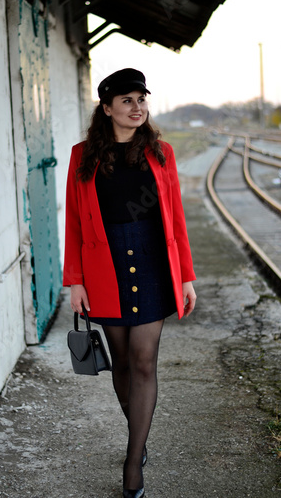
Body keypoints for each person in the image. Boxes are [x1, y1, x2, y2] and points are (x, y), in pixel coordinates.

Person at [63, 68, 196, 498]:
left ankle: (132, 459)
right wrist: (75, 281)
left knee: (143, 362)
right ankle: (137, 436)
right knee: (120, 362)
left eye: (142, 99)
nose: (137, 107)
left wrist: (187, 277)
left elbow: (175, 218)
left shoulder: (162, 154)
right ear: (107, 108)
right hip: (106, 268)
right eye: (127, 100)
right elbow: (75, 225)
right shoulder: (82, 156)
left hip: (155, 263)